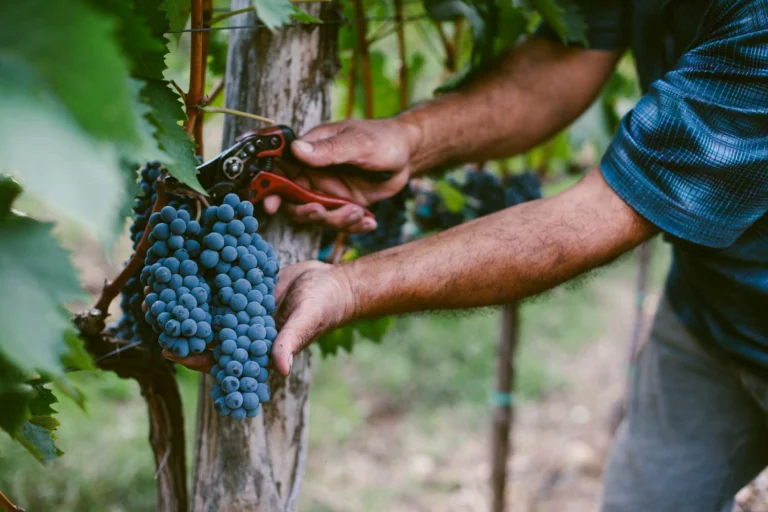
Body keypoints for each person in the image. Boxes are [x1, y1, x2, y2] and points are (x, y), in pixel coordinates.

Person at [171, 1, 768, 510]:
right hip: (711, 313)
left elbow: (598, 216)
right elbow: (567, 60)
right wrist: (412, 139)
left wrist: (351, 287)